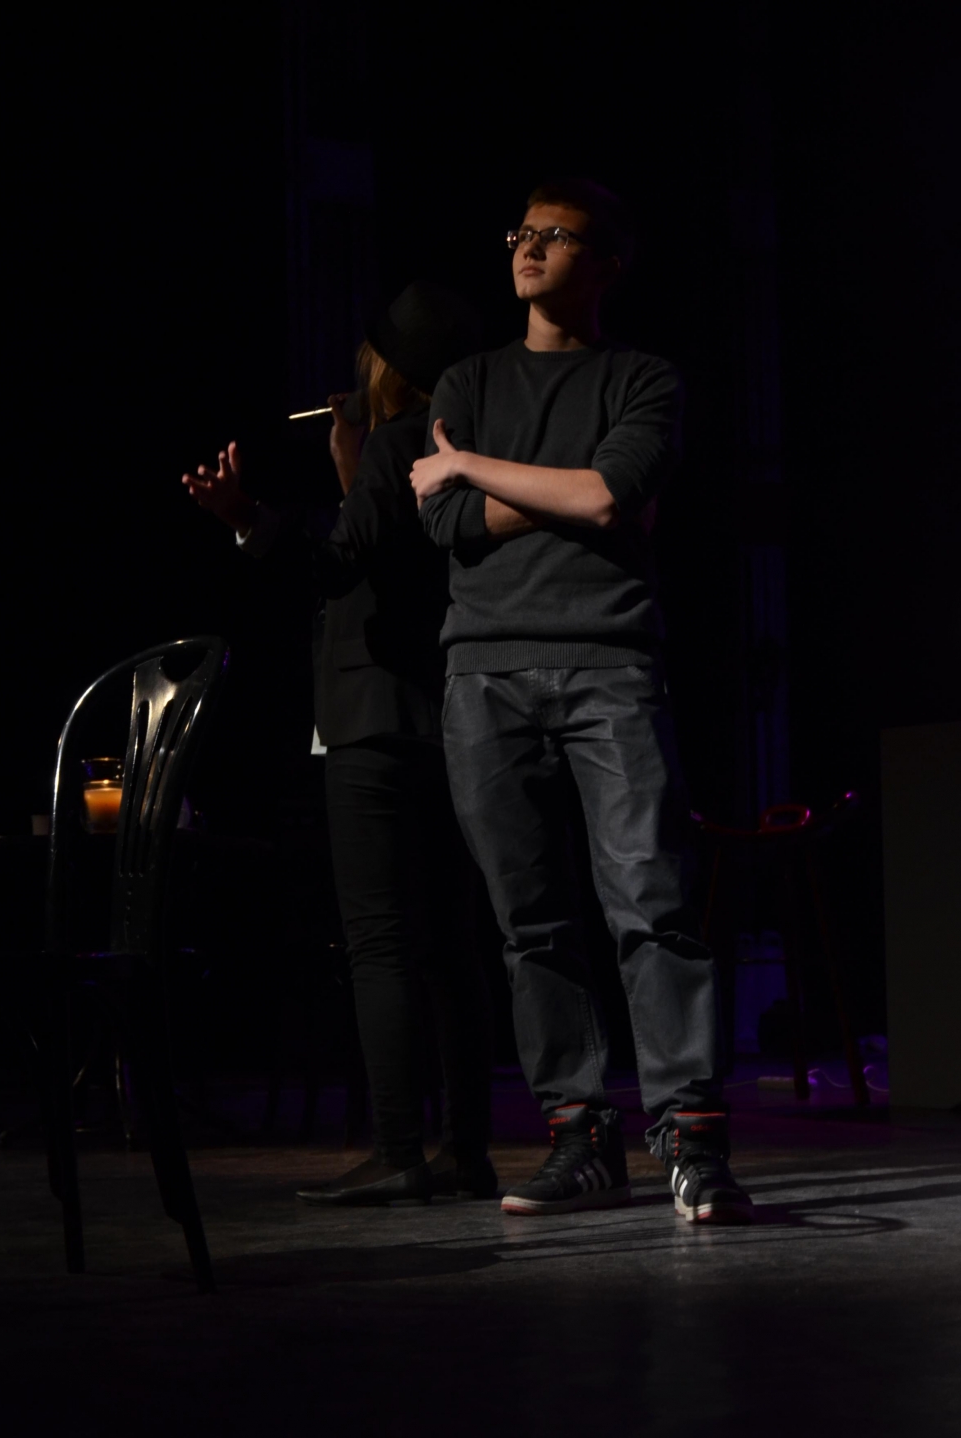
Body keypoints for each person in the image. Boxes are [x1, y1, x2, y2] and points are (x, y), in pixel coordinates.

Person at [411, 181, 753, 1223]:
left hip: (609, 661)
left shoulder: (641, 378)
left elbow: (611, 496)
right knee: (531, 923)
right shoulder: (468, 379)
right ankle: (579, 1134)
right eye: (522, 232)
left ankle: (689, 1137)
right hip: (483, 671)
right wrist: (569, 486)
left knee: (651, 903)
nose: (529, 247)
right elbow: (447, 526)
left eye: (555, 237)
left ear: (605, 264)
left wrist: (471, 467)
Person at [183, 282, 495, 1206]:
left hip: (373, 720)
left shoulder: (396, 446)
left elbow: (331, 567)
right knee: (450, 942)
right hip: (445, 717)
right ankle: (465, 1148)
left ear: (386, 368)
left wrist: (247, 517)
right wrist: (350, 470)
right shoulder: (458, 449)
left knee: (381, 941)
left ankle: (399, 1147)